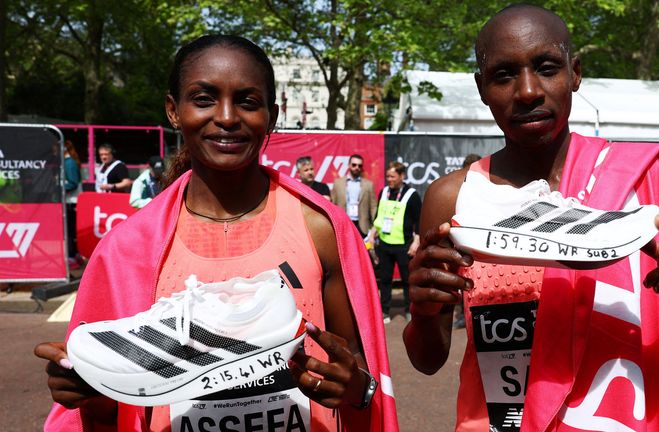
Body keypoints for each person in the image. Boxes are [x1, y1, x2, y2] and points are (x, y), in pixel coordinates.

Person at [35, 35, 397, 431]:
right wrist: (91, 393)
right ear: (173, 110)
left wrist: (356, 388)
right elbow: (107, 415)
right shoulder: (128, 248)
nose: (227, 116)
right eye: (204, 98)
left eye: (247, 101)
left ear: (272, 116)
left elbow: (357, 368)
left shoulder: (319, 228)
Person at [403, 5, 659, 432]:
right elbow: (428, 360)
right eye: (503, 75)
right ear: (482, 89)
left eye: (546, 68)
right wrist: (424, 312)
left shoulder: (641, 181)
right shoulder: (453, 198)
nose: (528, 91)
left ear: (575, 73)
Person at [372, 161, 421, 324]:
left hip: (404, 245)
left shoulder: (412, 194)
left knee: (408, 280)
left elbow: (418, 220)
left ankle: (410, 310)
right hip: (385, 244)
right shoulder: (384, 192)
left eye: (393, 176)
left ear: (402, 176)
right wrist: (372, 234)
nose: (389, 179)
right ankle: (385, 311)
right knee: (385, 279)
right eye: (387, 176)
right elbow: (378, 217)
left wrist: (416, 242)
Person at [451, 153, 481, 330]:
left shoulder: (487, 192)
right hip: (461, 246)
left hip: (478, 248)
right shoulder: (456, 191)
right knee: (461, 283)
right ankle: (463, 315)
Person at [331, 154, 377, 237]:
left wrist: (375, 227)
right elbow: (333, 204)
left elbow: (373, 206)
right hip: (343, 223)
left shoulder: (369, 185)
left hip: (362, 225)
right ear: (349, 165)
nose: (357, 167)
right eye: (354, 165)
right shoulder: (338, 183)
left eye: (360, 165)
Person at [63, 140, 83, 267]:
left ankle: (72, 257)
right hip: (70, 201)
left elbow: (73, 183)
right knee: (71, 231)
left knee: (70, 231)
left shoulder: (69, 163)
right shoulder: (67, 162)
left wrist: (58, 189)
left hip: (72, 201)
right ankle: (75, 256)